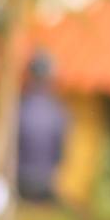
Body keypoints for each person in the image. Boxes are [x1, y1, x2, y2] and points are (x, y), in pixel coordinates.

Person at [16, 51, 69, 207]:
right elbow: (61, 153)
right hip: (46, 182)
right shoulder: (58, 111)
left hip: (20, 184)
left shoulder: (18, 108)